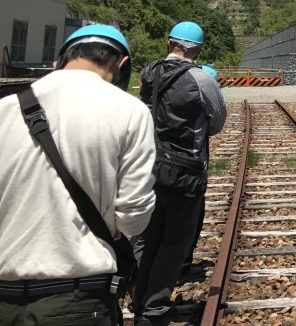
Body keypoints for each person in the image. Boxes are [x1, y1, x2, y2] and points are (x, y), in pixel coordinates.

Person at [0, 25, 155, 326]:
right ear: (121, 64)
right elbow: (133, 218)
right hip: (77, 298)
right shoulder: (130, 111)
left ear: (58, 61)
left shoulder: (6, 106)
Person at [133, 21, 227, 324]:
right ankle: (154, 308)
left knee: (147, 237)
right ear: (197, 50)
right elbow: (217, 122)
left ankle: (137, 297)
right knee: (174, 242)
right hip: (186, 170)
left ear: (169, 43)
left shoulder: (149, 72)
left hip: (148, 166)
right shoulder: (201, 79)